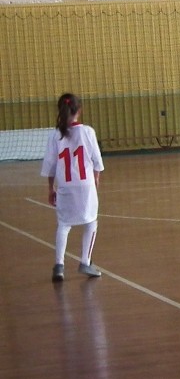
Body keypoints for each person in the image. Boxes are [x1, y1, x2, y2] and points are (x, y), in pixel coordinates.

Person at [40, 93, 104, 282]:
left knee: (64, 224)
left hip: (65, 187)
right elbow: (97, 162)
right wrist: (96, 178)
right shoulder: (88, 132)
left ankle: (59, 266)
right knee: (91, 222)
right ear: (79, 110)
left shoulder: (55, 135)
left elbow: (50, 165)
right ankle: (85, 262)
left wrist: (51, 188)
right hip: (86, 186)